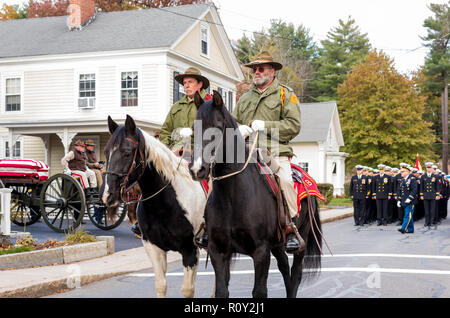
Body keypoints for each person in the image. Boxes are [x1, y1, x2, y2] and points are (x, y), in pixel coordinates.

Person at [231, 51, 303, 253]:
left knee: (286, 181)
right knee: (219, 176)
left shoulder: (285, 94)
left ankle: (290, 228)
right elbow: (233, 121)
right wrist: (237, 130)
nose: (256, 71)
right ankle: (211, 224)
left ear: (272, 71)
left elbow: (293, 126)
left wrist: (265, 125)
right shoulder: (245, 98)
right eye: (254, 68)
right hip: (244, 152)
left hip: (274, 152)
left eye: (261, 68)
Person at [159, 67, 211, 155]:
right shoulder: (176, 106)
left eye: (190, 82)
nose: (186, 86)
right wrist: (164, 151)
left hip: (201, 154)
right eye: (184, 83)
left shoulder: (210, 105)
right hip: (175, 153)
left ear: (200, 84)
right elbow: (166, 131)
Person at [397, 166, 418, 234]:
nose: (401, 173)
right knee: (409, 215)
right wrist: (399, 200)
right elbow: (400, 191)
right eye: (401, 171)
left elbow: (414, 190)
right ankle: (411, 229)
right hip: (403, 200)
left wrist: (410, 198)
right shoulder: (402, 180)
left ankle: (403, 228)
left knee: (407, 215)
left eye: (402, 172)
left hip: (410, 201)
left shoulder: (412, 179)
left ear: (407, 172)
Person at [420, 162, 441, 229]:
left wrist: (437, 194)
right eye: (427, 168)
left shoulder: (436, 176)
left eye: (430, 168)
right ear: (426, 168)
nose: (429, 169)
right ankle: (426, 222)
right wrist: (421, 194)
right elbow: (421, 186)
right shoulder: (423, 176)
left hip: (433, 195)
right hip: (425, 195)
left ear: (432, 168)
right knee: (426, 209)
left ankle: (431, 222)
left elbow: (437, 186)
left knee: (432, 209)